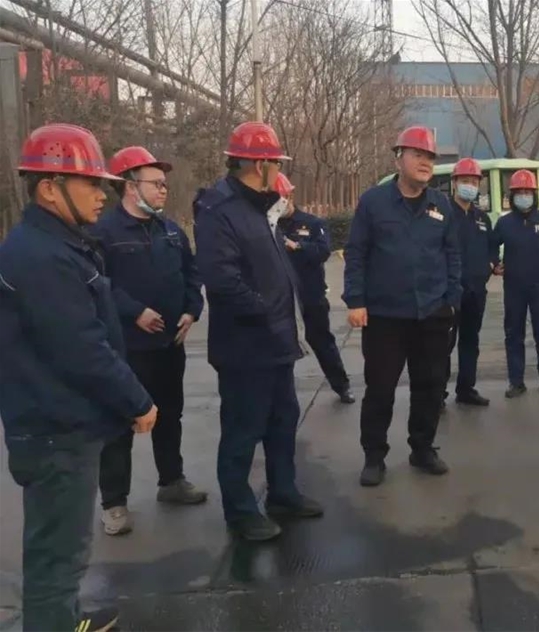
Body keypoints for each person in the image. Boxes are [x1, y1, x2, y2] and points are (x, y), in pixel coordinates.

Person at [0, 123, 157, 631]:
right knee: (57, 556)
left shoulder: (56, 246)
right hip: (55, 431)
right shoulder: (40, 257)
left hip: (60, 424)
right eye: (91, 183)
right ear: (50, 188)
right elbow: (82, 348)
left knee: (62, 548)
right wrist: (136, 400)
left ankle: (66, 620)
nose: (102, 194)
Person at [193, 121, 323, 541]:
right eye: (275, 163)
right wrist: (267, 313)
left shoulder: (258, 208)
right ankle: (240, 511)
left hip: (276, 341)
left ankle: (283, 492)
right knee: (243, 429)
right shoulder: (219, 210)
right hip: (246, 346)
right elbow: (222, 280)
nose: (278, 170)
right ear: (259, 164)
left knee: (283, 420)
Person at [90, 146, 206, 537]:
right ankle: (114, 503)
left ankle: (171, 480)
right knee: (119, 424)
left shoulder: (171, 230)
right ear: (129, 186)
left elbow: (192, 274)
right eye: (155, 183)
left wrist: (192, 309)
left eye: (164, 184)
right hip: (126, 348)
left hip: (169, 345)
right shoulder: (103, 233)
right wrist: (134, 311)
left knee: (170, 415)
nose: (163, 190)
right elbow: (99, 283)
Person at [343, 125, 461, 487]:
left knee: (430, 387)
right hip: (385, 317)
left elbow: (453, 255)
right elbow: (356, 254)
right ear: (399, 158)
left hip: (432, 315)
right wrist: (356, 300)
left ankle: (422, 449)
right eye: (418, 155)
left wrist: (451, 299)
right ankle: (374, 456)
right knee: (380, 389)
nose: (425, 163)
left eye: (430, 158)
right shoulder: (373, 202)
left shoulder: (441, 205)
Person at [274, 173, 355, 404]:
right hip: (281, 299)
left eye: (280, 199)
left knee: (322, 342)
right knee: (280, 350)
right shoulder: (267, 226)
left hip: (310, 296)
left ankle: (342, 385)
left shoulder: (312, 223)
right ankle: (280, 397)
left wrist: (298, 246)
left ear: (290, 197)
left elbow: (323, 251)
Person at [493, 169, 539, 399]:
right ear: (512, 196)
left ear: (534, 194)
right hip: (514, 286)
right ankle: (516, 382)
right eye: (519, 192)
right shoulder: (504, 223)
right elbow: (490, 245)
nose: (524, 196)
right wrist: (494, 264)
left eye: (528, 192)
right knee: (514, 334)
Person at [443, 157, 496, 408]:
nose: (470, 186)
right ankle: (438, 394)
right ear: (454, 183)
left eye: (474, 182)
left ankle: (466, 389)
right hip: (449, 293)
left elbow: (493, 248)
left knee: (470, 342)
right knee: (443, 344)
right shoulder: (443, 215)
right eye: (465, 180)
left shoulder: (482, 218)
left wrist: (491, 264)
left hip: (476, 292)